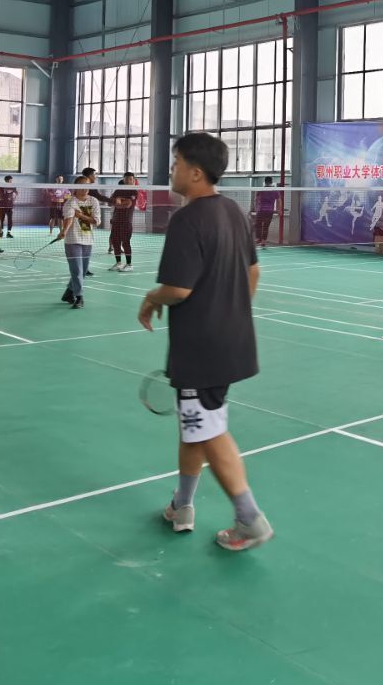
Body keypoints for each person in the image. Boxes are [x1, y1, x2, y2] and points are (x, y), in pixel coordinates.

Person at [139, 132, 272, 552]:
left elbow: (177, 289)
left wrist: (151, 297)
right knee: (194, 425)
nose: (171, 169)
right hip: (231, 342)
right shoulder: (233, 211)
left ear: (195, 173)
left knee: (210, 431)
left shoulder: (187, 220)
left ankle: (250, 519)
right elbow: (253, 272)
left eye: (176, 162)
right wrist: (230, 313)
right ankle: (182, 505)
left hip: (201, 350)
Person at [60, 175, 101, 308]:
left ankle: (68, 292)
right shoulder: (70, 202)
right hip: (73, 240)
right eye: (82, 186)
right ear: (76, 187)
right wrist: (64, 231)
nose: (85, 189)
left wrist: (82, 216)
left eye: (87, 186)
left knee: (82, 271)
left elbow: (96, 221)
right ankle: (79, 297)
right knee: (77, 271)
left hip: (88, 239)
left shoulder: (94, 201)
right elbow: (69, 219)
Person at [107, 172, 139, 272]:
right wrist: (118, 201)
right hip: (116, 220)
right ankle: (118, 263)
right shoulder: (118, 191)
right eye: (126, 179)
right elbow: (109, 203)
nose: (128, 181)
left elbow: (128, 204)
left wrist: (118, 200)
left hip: (126, 221)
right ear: (123, 180)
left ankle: (129, 264)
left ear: (133, 181)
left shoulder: (134, 191)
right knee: (115, 241)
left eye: (130, 179)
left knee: (125, 242)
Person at [252, 176, 278, 247]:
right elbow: (279, 200)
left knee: (258, 225)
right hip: (270, 211)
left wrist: (256, 207)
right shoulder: (275, 190)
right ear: (271, 182)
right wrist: (279, 210)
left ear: (265, 182)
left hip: (260, 210)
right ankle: (263, 241)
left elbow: (256, 199)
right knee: (266, 226)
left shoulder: (261, 189)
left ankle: (258, 239)